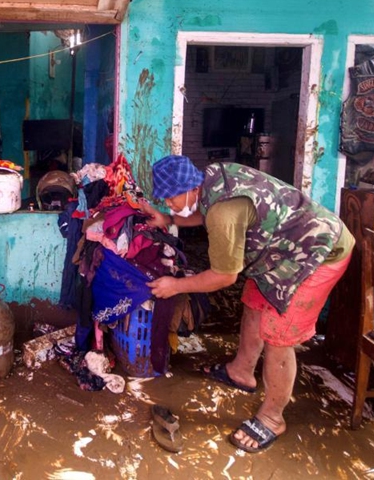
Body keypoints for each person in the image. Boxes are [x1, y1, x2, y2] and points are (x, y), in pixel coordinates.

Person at [141, 155, 354, 453]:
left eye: (170, 199)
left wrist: (175, 285)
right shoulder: (212, 178)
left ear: (190, 187)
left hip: (318, 252)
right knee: (254, 302)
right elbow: (205, 211)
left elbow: (225, 276)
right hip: (281, 248)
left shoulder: (223, 214)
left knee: (279, 335)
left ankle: (271, 418)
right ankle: (241, 372)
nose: (168, 204)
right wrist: (170, 219)